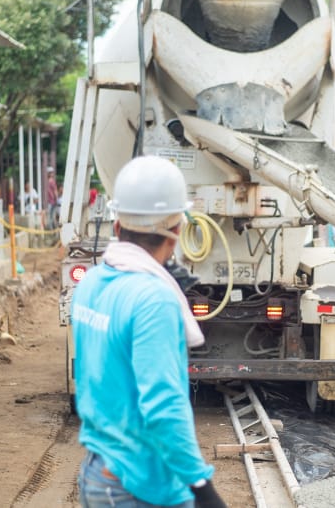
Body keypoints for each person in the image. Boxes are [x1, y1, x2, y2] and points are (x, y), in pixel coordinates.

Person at [71, 155, 225, 508]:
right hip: (139, 486)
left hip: (100, 470)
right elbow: (164, 406)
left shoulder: (92, 283)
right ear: (176, 233)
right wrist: (201, 486)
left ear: (117, 224)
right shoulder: (154, 300)